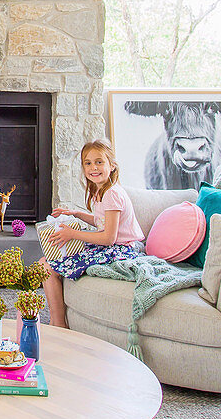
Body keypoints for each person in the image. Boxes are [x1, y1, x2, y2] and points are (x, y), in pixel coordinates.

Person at [41, 140, 145, 328]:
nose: (93, 167)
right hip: (113, 246)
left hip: (122, 250)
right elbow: (101, 222)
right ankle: (57, 320)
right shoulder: (101, 191)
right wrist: (76, 214)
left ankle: (58, 323)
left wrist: (73, 234)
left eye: (99, 162)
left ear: (112, 166)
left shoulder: (112, 194)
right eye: (87, 163)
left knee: (47, 266)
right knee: (45, 262)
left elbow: (108, 237)